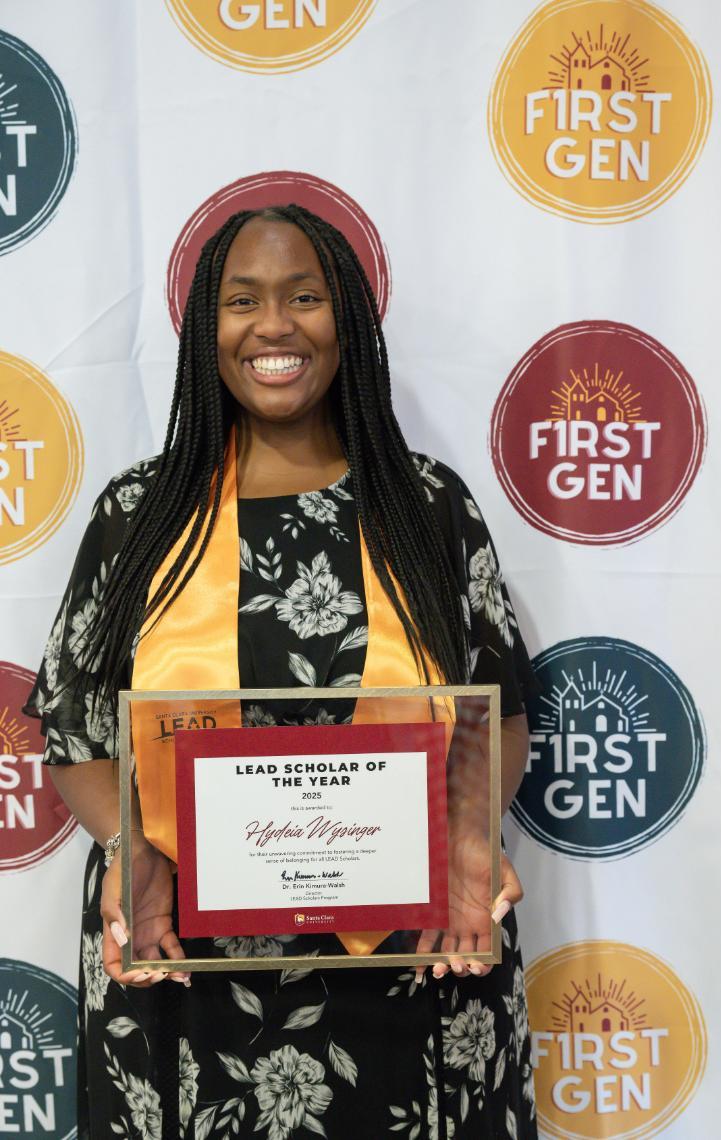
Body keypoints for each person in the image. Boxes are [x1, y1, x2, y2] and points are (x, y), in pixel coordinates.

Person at [26, 205, 539, 1139]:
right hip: (187, 960)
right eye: (242, 301)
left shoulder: (428, 507)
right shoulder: (141, 514)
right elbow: (73, 734)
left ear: (347, 319)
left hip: (407, 959)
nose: (274, 325)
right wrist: (129, 847)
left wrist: (470, 835)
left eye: (305, 297)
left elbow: (497, 711)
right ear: (204, 334)